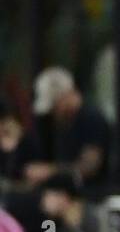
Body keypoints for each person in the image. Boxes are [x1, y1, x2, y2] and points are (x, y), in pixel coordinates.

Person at [29, 66, 112, 197]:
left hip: (94, 196)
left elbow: (89, 167)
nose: (53, 113)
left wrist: (50, 171)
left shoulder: (92, 118)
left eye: (55, 105)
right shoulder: (64, 123)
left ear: (65, 96)